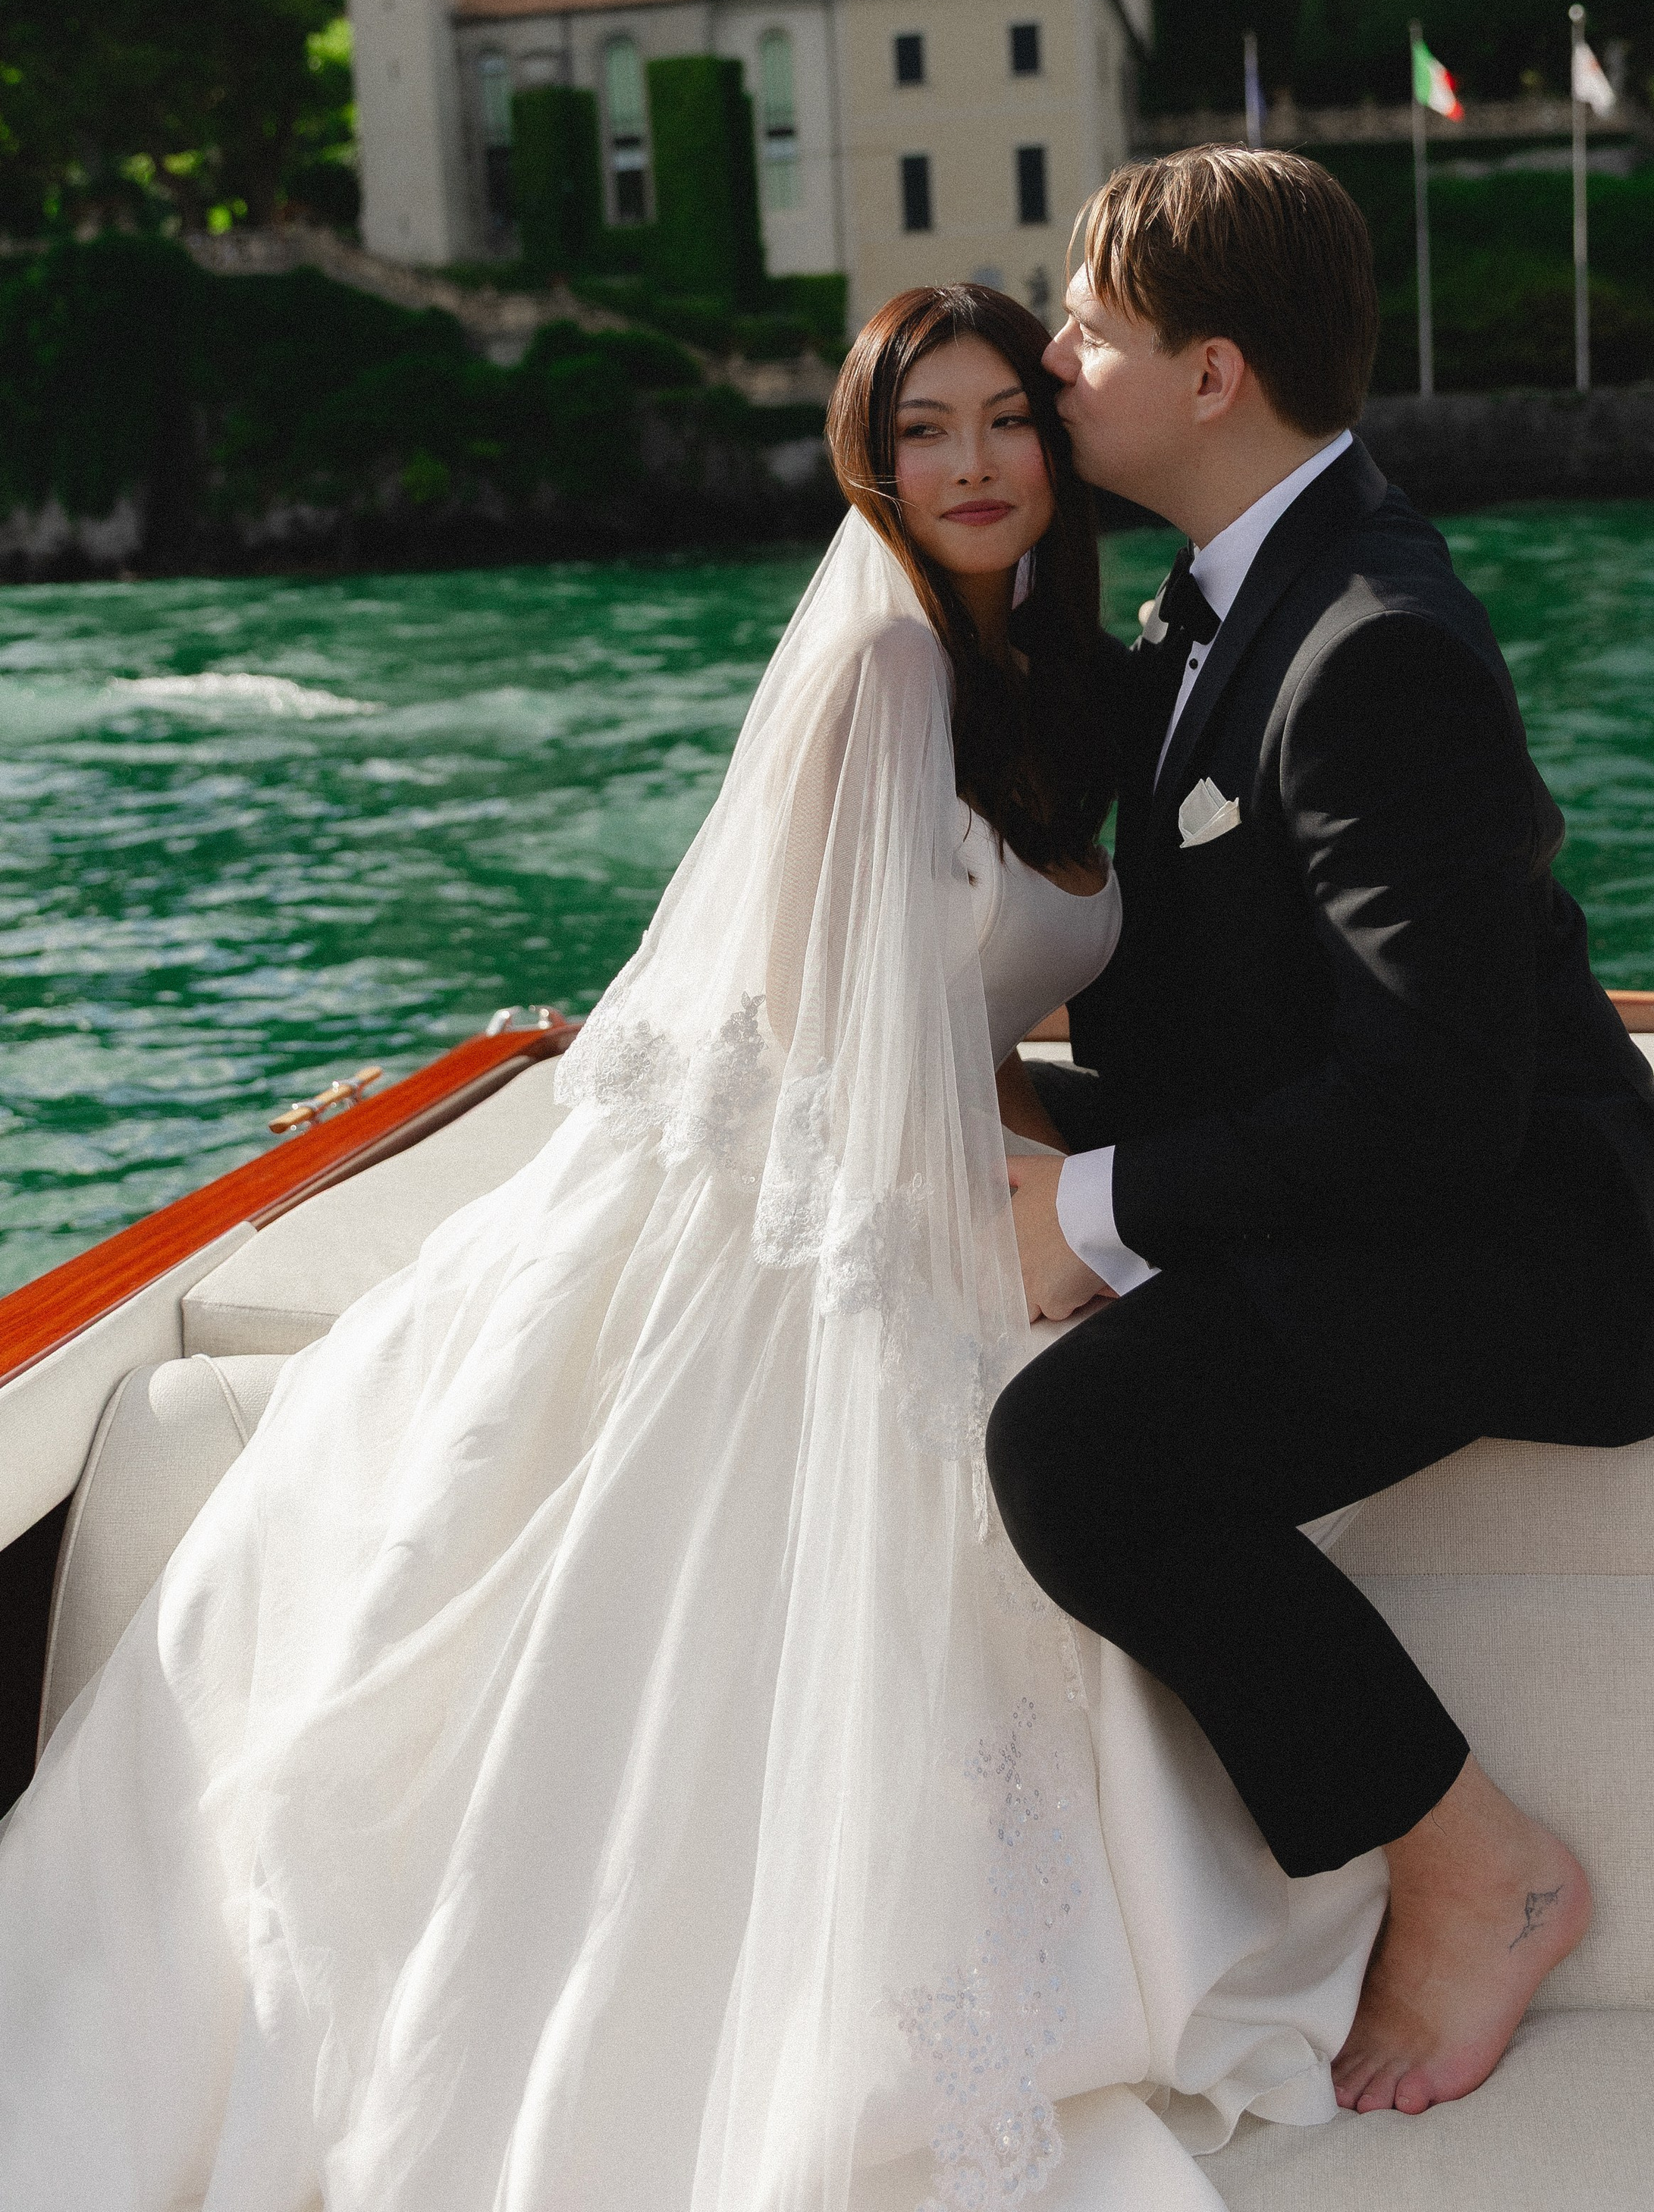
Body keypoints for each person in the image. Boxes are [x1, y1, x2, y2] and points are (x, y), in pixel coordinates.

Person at [0, 283, 1392, 2212]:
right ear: (869, 460)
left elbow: (963, 1007)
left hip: (935, 1148)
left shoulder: (1042, 673)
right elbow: (834, 1043)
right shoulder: (892, 671)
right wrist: (1040, 1226)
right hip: (820, 1194)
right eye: (926, 430)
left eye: (1005, 417)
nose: (974, 463)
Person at [990, 147, 1654, 2117]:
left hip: (1546, 1228)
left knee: (1080, 1454)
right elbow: (1238, 1020)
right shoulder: (1218, 598)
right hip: (1398, 1152)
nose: (1053, 356)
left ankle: (1479, 1866)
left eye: (1085, 326)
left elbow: (1437, 1099)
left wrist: (1097, 1202)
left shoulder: (1373, 640)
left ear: (1213, 371)